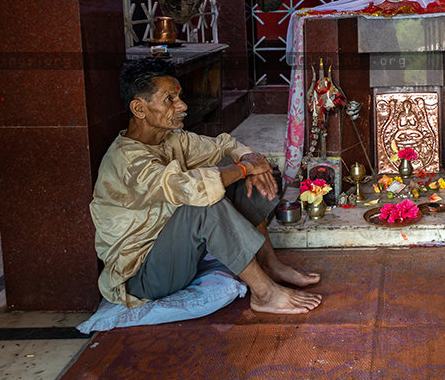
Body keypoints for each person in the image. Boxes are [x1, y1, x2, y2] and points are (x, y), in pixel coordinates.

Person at [90, 58, 321, 315]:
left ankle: (268, 262)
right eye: (169, 99)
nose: (182, 106)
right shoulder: (126, 160)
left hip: (177, 255)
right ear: (139, 108)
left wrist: (247, 162)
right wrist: (247, 167)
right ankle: (264, 294)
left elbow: (224, 145)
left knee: (238, 168)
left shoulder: (171, 140)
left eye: (179, 97)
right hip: (142, 276)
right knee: (204, 202)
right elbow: (191, 189)